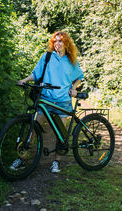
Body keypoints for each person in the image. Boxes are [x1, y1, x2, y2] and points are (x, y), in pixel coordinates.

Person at [14, 30, 84, 173]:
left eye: (61, 41)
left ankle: (56, 162)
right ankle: (22, 158)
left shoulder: (72, 61)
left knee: (60, 134)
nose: (57, 43)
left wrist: (74, 88)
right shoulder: (47, 57)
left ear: (66, 43)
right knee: (34, 129)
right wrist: (24, 80)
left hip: (63, 100)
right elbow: (35, 74)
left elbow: (79, 76)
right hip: (46, 99)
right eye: (55, 41)